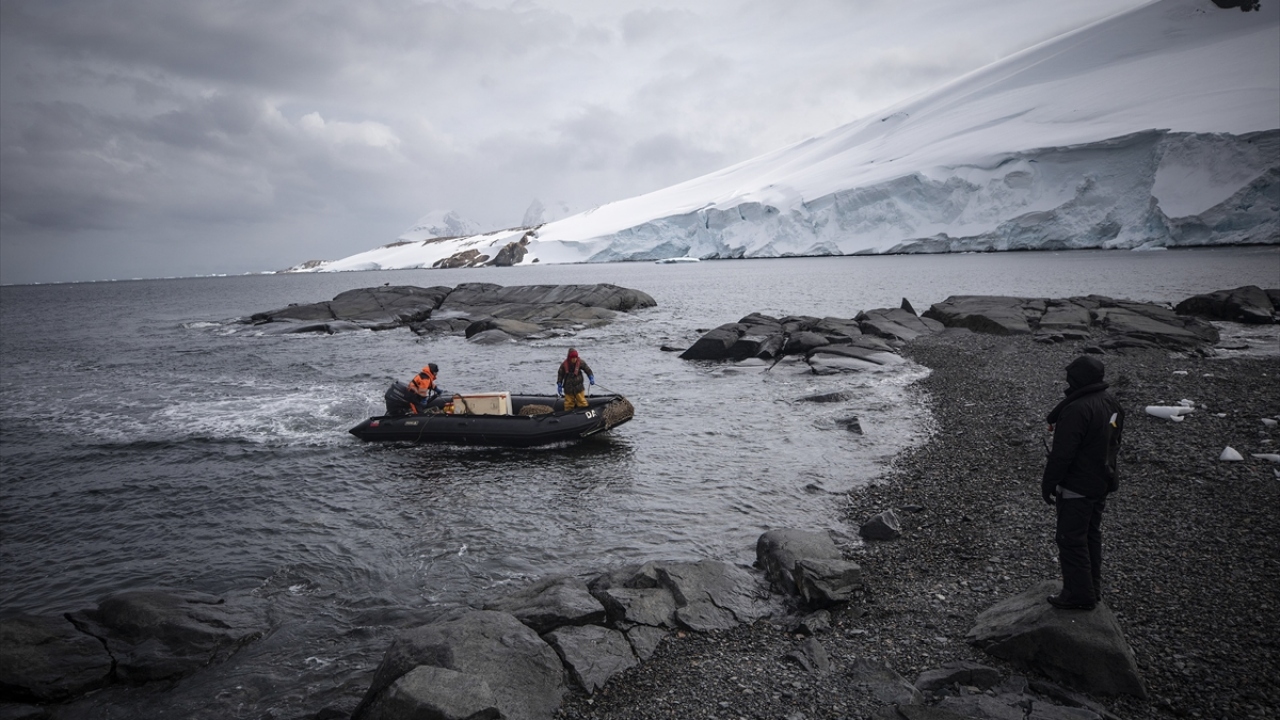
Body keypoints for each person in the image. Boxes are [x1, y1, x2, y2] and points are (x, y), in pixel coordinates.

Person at [1041, 355, 1124, 611]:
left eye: (1070, 377)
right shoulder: (1112, 403)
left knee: (1070, 539)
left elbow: (1063, 454)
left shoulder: (1076, 409)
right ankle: (1091, 588)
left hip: (1077, 484)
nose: (1067, 381)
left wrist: (1049, 483)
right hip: (1102, 480)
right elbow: (1113, 443)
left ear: (1078, 379)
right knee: (1090, 535)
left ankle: (1078, 595)